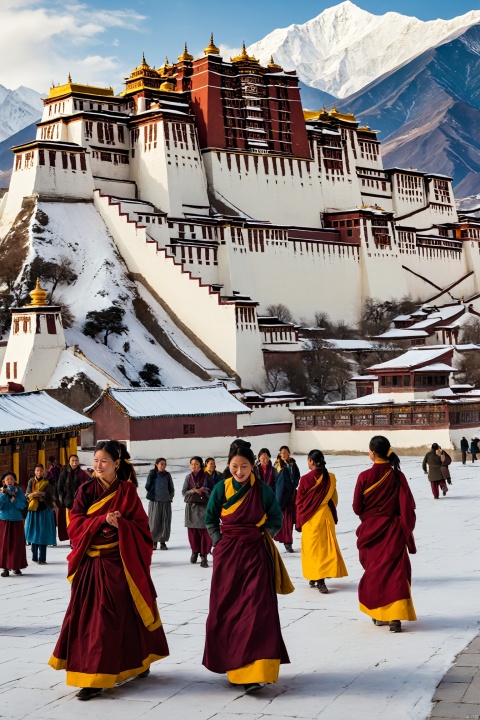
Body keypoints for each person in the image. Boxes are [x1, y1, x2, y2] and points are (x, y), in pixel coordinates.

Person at [48, 440, 169, 700]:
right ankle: (93, 676)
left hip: (122, 563)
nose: (98, 465)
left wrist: (121, 525)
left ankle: (139, 660)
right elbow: (75, 525)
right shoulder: (86, 490)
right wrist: (102, 520)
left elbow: (142, 528)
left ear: (116, 463)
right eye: (95, 461)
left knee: (127, 617)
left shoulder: (127, 492)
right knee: (95, 621)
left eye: (104, 461)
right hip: (92, 564)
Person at [203, 440, 293, 693]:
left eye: (244, 466)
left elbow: (276, 517)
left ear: (252, 466)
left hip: (255, 554)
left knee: (257, 609)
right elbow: (210, 518)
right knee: (228, 610)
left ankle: (254, 671)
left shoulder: (262, 490)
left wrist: (264, 535)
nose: (239, 472)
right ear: (228, 465)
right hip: (228, 556)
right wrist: (219, 542)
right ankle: (234, 665)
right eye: (234, 466)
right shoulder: (221, 488)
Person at [353, 436, 416, 633]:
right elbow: (408, 507)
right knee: (395, 572)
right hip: (393, 531)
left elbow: (357, 507)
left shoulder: (364, 476)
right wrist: (405, 528)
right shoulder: (397, 475)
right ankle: (395, 618)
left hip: (371, 531)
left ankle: (380, 614)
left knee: (375, 572)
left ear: (372, 453)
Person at [295, 449, 348, 594]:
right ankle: (316, 576)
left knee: (312, 550)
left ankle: (319, 579)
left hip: (310, 519)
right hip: (325, 517)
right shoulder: (330, 478)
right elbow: (334, 498)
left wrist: (300, 517)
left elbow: (299, 501)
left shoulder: (306, 479)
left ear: (311, 461)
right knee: (324, 549)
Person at [182, 457, 214, 568]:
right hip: (191, 507)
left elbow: (213, 492)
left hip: (204, 507)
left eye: (196, 464)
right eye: (192, 464)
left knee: (205, 532)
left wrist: (204, 490)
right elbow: (184, 492)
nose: (194, 466)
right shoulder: (188, 478)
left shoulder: (207, 477)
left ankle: (204, 556)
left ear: (201, 465)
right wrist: (194, 490)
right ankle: (194, 551)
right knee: (193, 532)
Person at [25, 464, 56, 564]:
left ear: (44, 472)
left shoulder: (47, 482)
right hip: (33, 510)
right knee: (34, 533)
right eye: (37, 470)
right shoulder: (31, 481)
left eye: (41, 471)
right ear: (34, 472)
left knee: (43, 533)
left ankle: (42, 558)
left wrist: (44, 494)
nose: (39, 472)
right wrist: (33, 494)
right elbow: (27, 494)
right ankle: (34, 556)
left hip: (44, 510)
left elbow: (52, 496)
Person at [0, 471, 27, 577]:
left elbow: (22, 505)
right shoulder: (1, 492)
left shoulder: (19, 491)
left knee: (17, 545)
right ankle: (5, 568)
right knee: (4, 545)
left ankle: (16, 566)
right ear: (4, 482)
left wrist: (14, 499)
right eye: (7, 480)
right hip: (4, 520)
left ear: (15, 481)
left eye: (11, 479)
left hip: (16, 520)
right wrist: (3, 495)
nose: (10, 481)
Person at [57, 455, 90, 541]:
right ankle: (71, 538)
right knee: (69, 522)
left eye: (76, 461)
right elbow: (59, 486)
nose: (75, 463)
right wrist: (62, 498)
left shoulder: (82, 473)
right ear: (69, 462)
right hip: (68, 501)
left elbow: (88, 484)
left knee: (77, 521)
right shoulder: (64, 473)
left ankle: (76, 538)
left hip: (79, 502)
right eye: (73, 461)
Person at [274, 446, 300, 553]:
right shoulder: (277, 465)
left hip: (291, 495)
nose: (283, 454)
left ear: (289, 453)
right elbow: (276, 481)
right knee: (281, 521)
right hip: (280, 495)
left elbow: (297, 476)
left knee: (289, 521)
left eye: (285, 452)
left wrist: (293, 485)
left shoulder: (293, 463)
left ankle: (288, 542)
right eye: (282, 453)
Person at [146, 458, 175, 550]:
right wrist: (154, 493)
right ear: (156, 464)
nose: (163, 466)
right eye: (161, 464)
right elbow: (147, 486)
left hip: (166, 501)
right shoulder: (153, 474)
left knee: (165, 522)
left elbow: (171, 487)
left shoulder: (167, 475)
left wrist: (170, 496)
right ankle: (154, 542)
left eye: (164, 464)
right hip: (155, 501)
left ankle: (163, 542)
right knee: (154, 522)